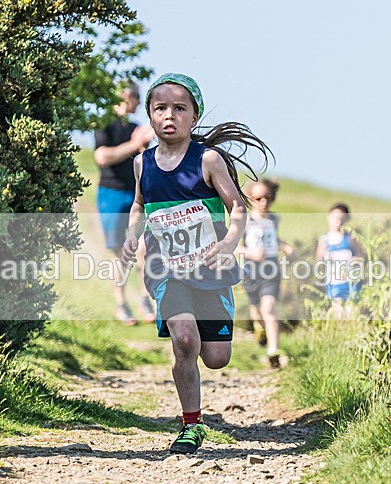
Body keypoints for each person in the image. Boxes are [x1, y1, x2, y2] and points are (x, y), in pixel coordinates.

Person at [122, 73, 272, 454]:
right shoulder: (142, 164)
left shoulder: (207, 160)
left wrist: (228, 243)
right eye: (160, 108)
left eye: (179, 108)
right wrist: (132, 235)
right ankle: (192, 424)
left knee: (217, 357)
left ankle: (207, 343)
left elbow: (238, 207)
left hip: (209, 269)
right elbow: (138, 205)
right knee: (185, 339)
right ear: (150, 116)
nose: (169, 116)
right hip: (165, 269)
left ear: (194, 116)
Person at [94, 82, 156, 325]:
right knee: (120, 253)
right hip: (110, 193)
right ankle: (121, 305)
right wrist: (134, 143)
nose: (139, 103)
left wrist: (144, 145)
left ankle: (145, 299)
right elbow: (102, 157)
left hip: (136, 193)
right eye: (138, 97)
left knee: (143, 249)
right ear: (126, 96)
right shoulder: (103, 124)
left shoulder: (135, 128)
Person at [237, 179, 295, 368]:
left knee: (269, 308)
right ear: (250, 199)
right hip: (251, 272)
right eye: (258, 198)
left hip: (271, 270)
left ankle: (273, 351)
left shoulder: (274, 219)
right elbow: (234, 246)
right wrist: (250, 253)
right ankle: (258, 327)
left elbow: (274, 238)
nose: (264, 202)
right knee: (257, 310)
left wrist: (286, 247)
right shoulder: (245, 221)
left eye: (268, 198)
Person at [316, 203, 365, 319]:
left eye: (342, 219)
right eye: (336, 218)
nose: (338, 222)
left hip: (351, 282)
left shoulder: (350, 237)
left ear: (346, 219)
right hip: (334, 283)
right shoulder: (324, 240)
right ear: (328, 217)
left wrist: (356, 260)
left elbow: (363, 255)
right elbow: (319, 262)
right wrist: (321, 256)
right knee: (338, 315)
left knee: (352, 314)